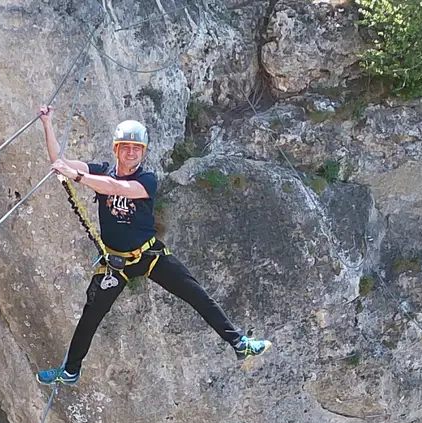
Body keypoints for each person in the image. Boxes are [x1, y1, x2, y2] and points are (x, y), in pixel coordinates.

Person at [33, 106, 269, 386]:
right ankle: (71, 371)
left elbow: (117, 188)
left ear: (143, 152)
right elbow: (59, 159)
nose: (131, 153)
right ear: (116, 149)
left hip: (149, 256)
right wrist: (48, 124)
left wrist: (77, 177)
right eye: (126, 147)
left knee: (196, 294)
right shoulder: (101, 171)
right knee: (90, 317)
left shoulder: (146, 179)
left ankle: (239, 343)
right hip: (115, 264)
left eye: (137, 148)